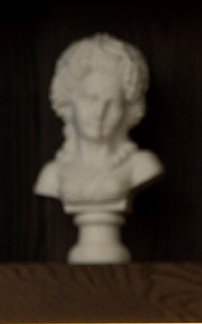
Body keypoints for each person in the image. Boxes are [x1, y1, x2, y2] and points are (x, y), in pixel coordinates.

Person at [34, 33, 164, 211]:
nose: (99, 112)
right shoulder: (52, 174)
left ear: (128, 110)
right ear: (69, 102)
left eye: (111, 103)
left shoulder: (143, 165)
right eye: (91, 98)